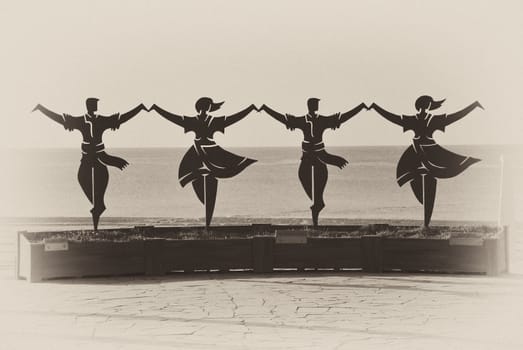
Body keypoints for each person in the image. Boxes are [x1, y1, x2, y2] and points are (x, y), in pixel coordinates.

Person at [32, 98, 146, 230]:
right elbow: (60, 119)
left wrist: (139, 108)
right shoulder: (80, 121)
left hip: (100, 159)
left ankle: (97, 213)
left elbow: (121, 119)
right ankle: (97, 208)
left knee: (99, 191)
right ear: (89, 106)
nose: (97, 105)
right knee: (83, 179)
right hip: (86, 160)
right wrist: (42, 109)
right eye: (95, 104)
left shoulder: (101, 120)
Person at [370, 95, 483, 227]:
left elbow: (455, 117)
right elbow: (393, 118)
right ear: (426, 105)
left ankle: (426, 222)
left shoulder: (429, 120)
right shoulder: (420, 120)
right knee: (415, 179)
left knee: (430, 178)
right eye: (429, 104)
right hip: (418, 153)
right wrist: (376, 108)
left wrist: (472, 106)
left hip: (428, 152)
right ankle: (426, 218)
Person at [149, 97, 258, 227]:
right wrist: (157, 109)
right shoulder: (201, 121)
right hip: (200, 153)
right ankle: (207, 216)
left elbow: (233, 118)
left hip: (207, 152)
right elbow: (173, 118)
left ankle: (208, 219)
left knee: (209, 178)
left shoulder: (206, 121)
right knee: (197, 179)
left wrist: (249, 109)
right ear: (209, 107)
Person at [260, 98, 368, 226]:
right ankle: (317, 205)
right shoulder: (302, 121)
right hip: (307, 158)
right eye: (316, 104)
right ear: (311, 106)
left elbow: (340, 118)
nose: (318, 105)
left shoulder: (322, 120)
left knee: (319, 186)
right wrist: (266, 109)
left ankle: (317, 208)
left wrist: (359, 107)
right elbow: (284, 119)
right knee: (304, 177)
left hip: (320, 158)